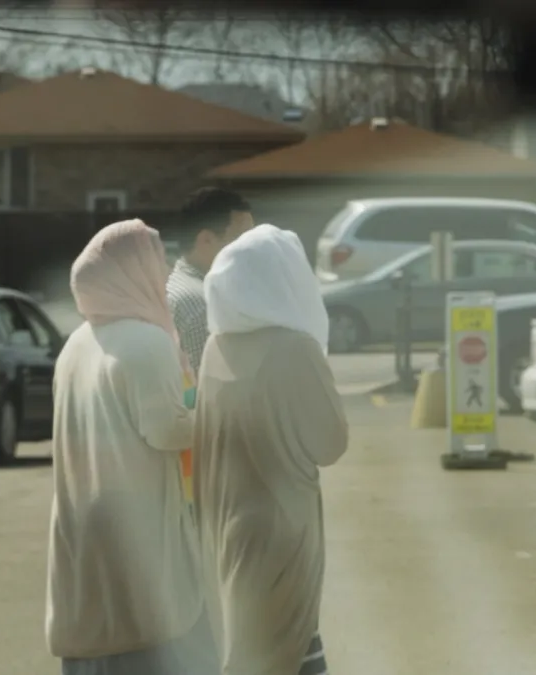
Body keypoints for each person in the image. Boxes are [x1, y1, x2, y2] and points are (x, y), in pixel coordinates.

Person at [46, 219, 221, 675]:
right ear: (131, 271)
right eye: (156, 261)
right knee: (160, 634)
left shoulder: (77, 343)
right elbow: (167, 431)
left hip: (84, 518)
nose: (164, 274)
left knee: (97, 627)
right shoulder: (146, 341)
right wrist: (223, 415)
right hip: (138, 519)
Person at [194, 224, 350, 675]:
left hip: (227, 521)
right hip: (282, 525)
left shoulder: (215, 346)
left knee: (252, 644)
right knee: (290, 642)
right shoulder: (294, 348)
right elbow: (331, 444)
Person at [167, 187, 255, 375]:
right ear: (206, 239)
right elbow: (206, 388)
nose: (253, 249)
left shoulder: (175, 284)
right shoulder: (202, 305)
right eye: (242, 239)